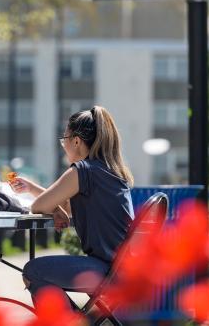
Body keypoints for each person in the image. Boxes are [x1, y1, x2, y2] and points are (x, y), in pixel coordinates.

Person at [10, 106, 135, 304]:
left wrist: (55, 208)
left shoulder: (84, 171)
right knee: (39, 270)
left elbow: (39, 207)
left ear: (76, 141)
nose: (64, 146)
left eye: (64, 140)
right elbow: (66, 207)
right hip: (126, 269)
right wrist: (34, 188)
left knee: (33, 271)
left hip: (108, 271)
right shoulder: (110, 171)